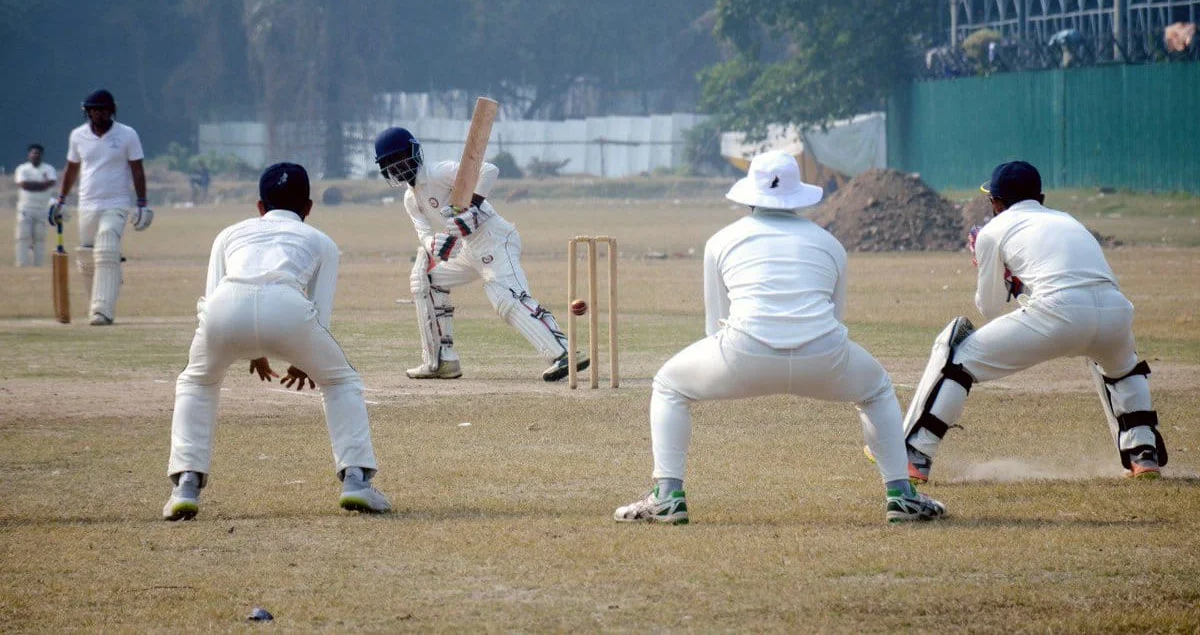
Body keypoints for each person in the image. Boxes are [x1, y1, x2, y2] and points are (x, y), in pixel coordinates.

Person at [613, 151, 948, 525]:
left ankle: (666, 496)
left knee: (669, 385)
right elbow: (835, 318)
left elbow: (714, 324)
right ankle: (901, 495)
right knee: (877, 390)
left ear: (750, 193)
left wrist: (735, 366)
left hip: (742, 354)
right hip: (824, 355)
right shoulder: (829, 243)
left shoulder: (721, 240)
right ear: (797, 195)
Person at [898, 160, 1167, 482]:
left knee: (955, 354)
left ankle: (915, 454)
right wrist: (1017, 282)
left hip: (1059, 314)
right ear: (1040, 197)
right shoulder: (1068, 220)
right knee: (1121, 369)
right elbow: (1073, 279)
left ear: (995, 203)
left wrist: (994, 272)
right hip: (1116, 312)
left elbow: (991, 307)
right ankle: (1144, 454)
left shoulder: (992, 231)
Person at [163, 162, 391, 520]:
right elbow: (321, 308)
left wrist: (248, 347)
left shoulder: (228, 233)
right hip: (287, 309)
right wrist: (302, 358)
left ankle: (185, 485)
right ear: (308, 208)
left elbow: (212, 297)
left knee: (197, 382)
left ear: (259, 207)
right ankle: (356, 481)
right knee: (340, 380)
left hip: (224, 309)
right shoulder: (320, 240)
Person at [373, 127, 583, 381]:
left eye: (401, 158)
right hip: (467, 249)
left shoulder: (438, 172)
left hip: (494, 238)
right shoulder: (411, 199)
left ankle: (563, 353)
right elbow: (424, 233)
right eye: (391, 164)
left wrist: (471, 208)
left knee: (504, 297)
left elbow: (488, 170)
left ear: (414, 153)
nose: (398, 167)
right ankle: (441, 361)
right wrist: (435, 245)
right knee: (426, 279)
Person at [47, 89, 153, 325]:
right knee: (87, 255)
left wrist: (142, 203)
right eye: (94, 110)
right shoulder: (78, 136)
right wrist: (61, 199)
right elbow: (72, 168)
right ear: (87, 112)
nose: (98, 114)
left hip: (116, 202)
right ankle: (98, 302)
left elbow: (137, 169)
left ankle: (101, 311)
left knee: (106, 245)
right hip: (87, 203)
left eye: (103, 110)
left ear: (111, 110)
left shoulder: (127, 134)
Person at [13, 143, 57, 267]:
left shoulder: (48, 169)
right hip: (25, 208)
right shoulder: (22, 169)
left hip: (42, 209)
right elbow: (23, 185)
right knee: (23, 236)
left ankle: (38, 264)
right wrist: (41, 185)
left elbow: (50, 183)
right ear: (29, 155)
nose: (35, 155)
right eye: (33, 153)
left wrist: (33, 185)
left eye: (37, 153)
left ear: (41, 155)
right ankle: (21, 264)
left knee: (39, 238)